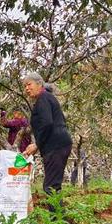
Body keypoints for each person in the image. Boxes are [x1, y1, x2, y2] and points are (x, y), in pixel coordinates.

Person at [22, 73, 73, 207]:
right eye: (25, 86)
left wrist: (37, 145)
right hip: (58, 144)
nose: (26, 88)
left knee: (51, 186)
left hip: (55, 146)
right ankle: (57, 219)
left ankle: (56, 221)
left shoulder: (43, 98)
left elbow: (47, 123)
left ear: (39, 84)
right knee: (53, 185)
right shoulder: (47, 98)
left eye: (29, 84)